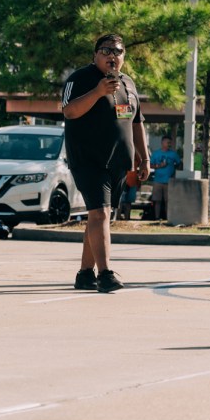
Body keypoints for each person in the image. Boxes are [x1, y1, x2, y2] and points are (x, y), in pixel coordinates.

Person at [61, 33, 150, 293]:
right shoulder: (80, 78)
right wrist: (98, 92)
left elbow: (136, 122)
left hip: (118, 162)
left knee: (100, 217)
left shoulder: (128, 83)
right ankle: (105, 273)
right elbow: (69, 111)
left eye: (118, 51)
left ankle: (85, 273)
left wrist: (144, 158)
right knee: (99, 213)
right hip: (88, 159)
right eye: (106, 50)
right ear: (95, 55)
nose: (113, 55)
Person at [149, 135, 181, 220]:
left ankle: (168, 218)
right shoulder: (156, 154)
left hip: (169, 181)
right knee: (157, 200)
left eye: (170, 142)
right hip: (158, 180)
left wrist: (175, 172)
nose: (169, 144)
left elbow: (179, 164)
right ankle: (156, 217)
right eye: (167, 142)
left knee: (168, 200)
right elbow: (150, 165)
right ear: (162, 142)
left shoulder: (173, 154)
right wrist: (159, 165)